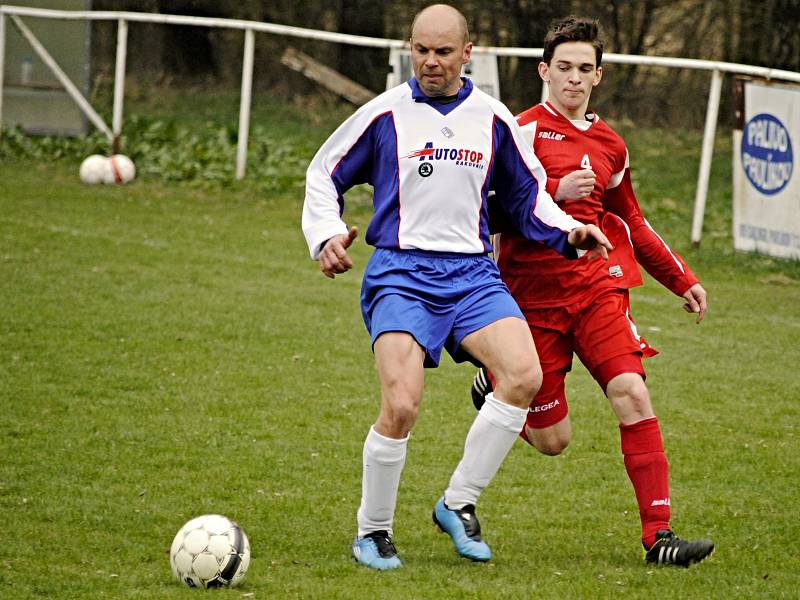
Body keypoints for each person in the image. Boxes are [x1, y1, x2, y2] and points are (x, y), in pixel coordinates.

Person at [302, 4, 612, 571]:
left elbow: (527, 197)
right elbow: (324, 174)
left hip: (472, 275)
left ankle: (458, 502)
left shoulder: (493, 120)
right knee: (401, 404)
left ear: (468, 54)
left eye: (443, 52)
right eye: (421, 50)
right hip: (402, 273)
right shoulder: (385, 114)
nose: (430, 62)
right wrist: (326, 236)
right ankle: (373, 531)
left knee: (524, 376)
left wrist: (571, 231)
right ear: (409, 49)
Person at [471, 16, 715, 567]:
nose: (574, 79)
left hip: (599, 290)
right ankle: (496, 385)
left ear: (598, 76)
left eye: (585, 69)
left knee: (632, 392)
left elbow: (632, 218)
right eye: (564, 68)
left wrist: (683, 279)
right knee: (554, 440)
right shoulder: (519, 131)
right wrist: (552, 190)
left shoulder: (610, 144)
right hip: (533, 300)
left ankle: (659, 537)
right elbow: (483, 211)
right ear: (544, 71)